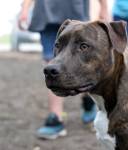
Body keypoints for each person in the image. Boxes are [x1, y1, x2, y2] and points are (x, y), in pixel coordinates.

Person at [19, 0, 109, 140]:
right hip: (46, 15)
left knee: (80, 64)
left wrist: (103, 8)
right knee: (52, 64)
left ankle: (87, 100)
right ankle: (55, 117)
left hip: (76, 12)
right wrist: (24, 9)